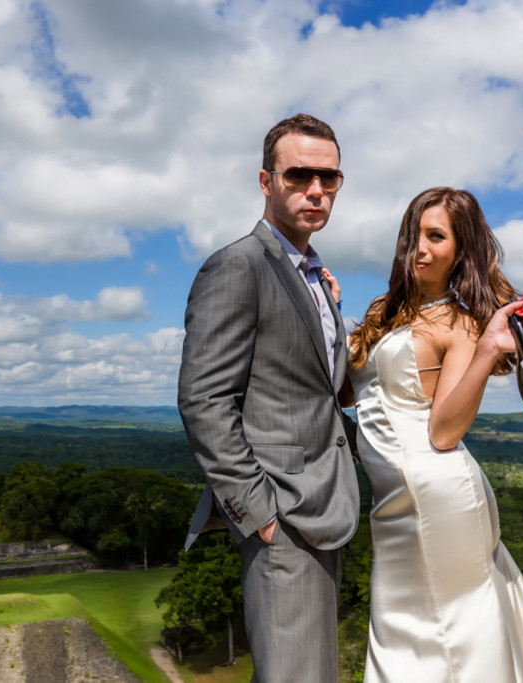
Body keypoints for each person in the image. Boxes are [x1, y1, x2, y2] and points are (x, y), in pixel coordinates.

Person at [344, 187, 523, 682]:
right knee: (402, 635)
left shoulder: (462, 323)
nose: (419, 249)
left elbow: (445, 430)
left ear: (460, 250)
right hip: (393, 499)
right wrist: (325, 304)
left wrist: (491, 347)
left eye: (435, 237)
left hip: (437, 495)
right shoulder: (386, 309)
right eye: (413, 236)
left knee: (452, 639)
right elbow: (347, 393)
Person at [178, 114, 360, 682]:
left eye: (329, 178)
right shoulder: (238, 265)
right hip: (281, 514)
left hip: (328, 508)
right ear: (265, 181)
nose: (316, 190)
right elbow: (204, 398)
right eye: (299, 175)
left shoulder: (313, 275)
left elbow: (323, 389)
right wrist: (258, 512)